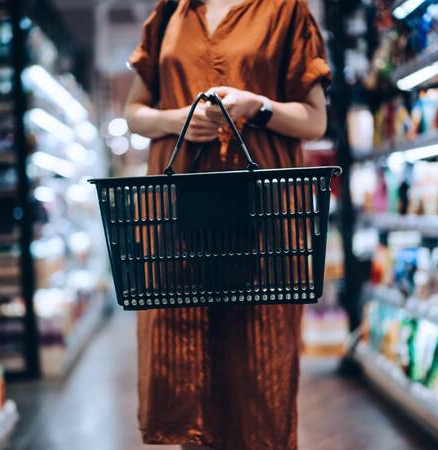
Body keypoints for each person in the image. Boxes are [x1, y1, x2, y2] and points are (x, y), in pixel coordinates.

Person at [124, 0, 331, 449]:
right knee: (188, 360)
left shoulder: (285, 11)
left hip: (265, 221)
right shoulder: (170, 13)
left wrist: (257, 105)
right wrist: (179, 119)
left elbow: (315, 120)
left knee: (260, 366)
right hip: (179, 217)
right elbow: (134, 112)